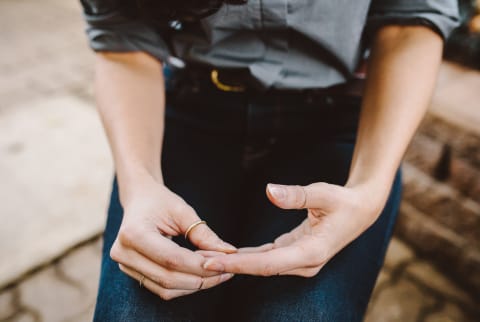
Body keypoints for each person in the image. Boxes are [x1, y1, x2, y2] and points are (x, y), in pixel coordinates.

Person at [79, 1, 459, 321]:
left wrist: (368, 191)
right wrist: (140, 185)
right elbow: (121, 39)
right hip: (185, 111)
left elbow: (412, 19)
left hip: (339, 122)